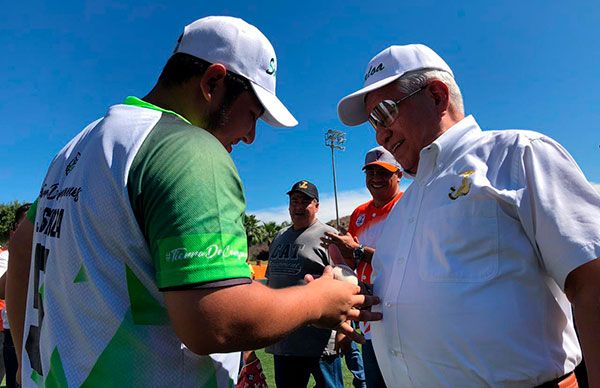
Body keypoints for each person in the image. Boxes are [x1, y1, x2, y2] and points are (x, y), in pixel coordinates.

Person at [6, 16, 380, 387]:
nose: (250, 136)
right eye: (252, 114)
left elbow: (22, 246)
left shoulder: (76, 147)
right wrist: (318, 299)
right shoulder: (188, 148)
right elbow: (215, 321)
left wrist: (24, 364)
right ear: (213, 82)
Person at [336, 43, 600, 386]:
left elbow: (592, 284)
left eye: (384, 113)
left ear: (436, 96)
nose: (379, 134)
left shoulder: (517, 155)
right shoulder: (404, 206)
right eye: (372, 122)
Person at [322, 146, 402, 387]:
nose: (375, 179)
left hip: (401, 314)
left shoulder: (407, 206)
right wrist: (341, 254)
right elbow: (355, 264)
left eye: (383, 173)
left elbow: (404, 259)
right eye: (370, 173)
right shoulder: (360, 213)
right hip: (369, 318)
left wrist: (357, 250)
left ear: (398, 174)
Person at [265, 180, 344, 388]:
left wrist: (343, 331)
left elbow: (344, 284)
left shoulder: (330, 236)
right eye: (294, 201)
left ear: (316, 205)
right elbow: (270, 280)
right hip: (284, 340)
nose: (298, 207)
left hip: (319, 341)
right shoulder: (280, 236)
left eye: (305, 202)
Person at [0, 204, 31, 388]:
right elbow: (2, 289)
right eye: (25, 225)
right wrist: (19, 250)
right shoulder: (8, 256)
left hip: (39, 330)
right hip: (14, 332)